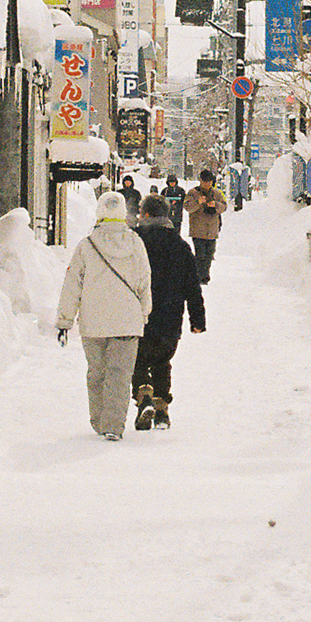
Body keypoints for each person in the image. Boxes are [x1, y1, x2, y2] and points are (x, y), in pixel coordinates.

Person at [55, 190, 152, 441]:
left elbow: (72, 284)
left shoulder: (87, 246)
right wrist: (144, 312)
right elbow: (144, 281)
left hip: (94, 323)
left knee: (97, 372)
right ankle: (112, 425)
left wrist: (65, 320)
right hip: (127, 322)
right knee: (120, 375)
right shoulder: (135, 244)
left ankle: (98, 420)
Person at [131, 194, 205, 430]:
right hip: (170, 316)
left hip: (138, 313)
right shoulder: (180, 246)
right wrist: (197, 319)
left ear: (148, 215)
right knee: (162, 362)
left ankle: (143, 395)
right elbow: (192, 285)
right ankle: (162, 410)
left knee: (138, 360)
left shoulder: (134, 242)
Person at [181, 169, 229, 284]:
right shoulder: (193, 193)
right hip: (198, 230)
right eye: (205, 181)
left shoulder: (217, 193)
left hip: (212, 230)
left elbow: (224, 206)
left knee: (209, 255)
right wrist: (198, 202)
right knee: (200, 254)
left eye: (209, 182)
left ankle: (205, 274)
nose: (207, 184)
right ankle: (200, 277)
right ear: (200, 181)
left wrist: (215, 205)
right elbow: (187, 207)